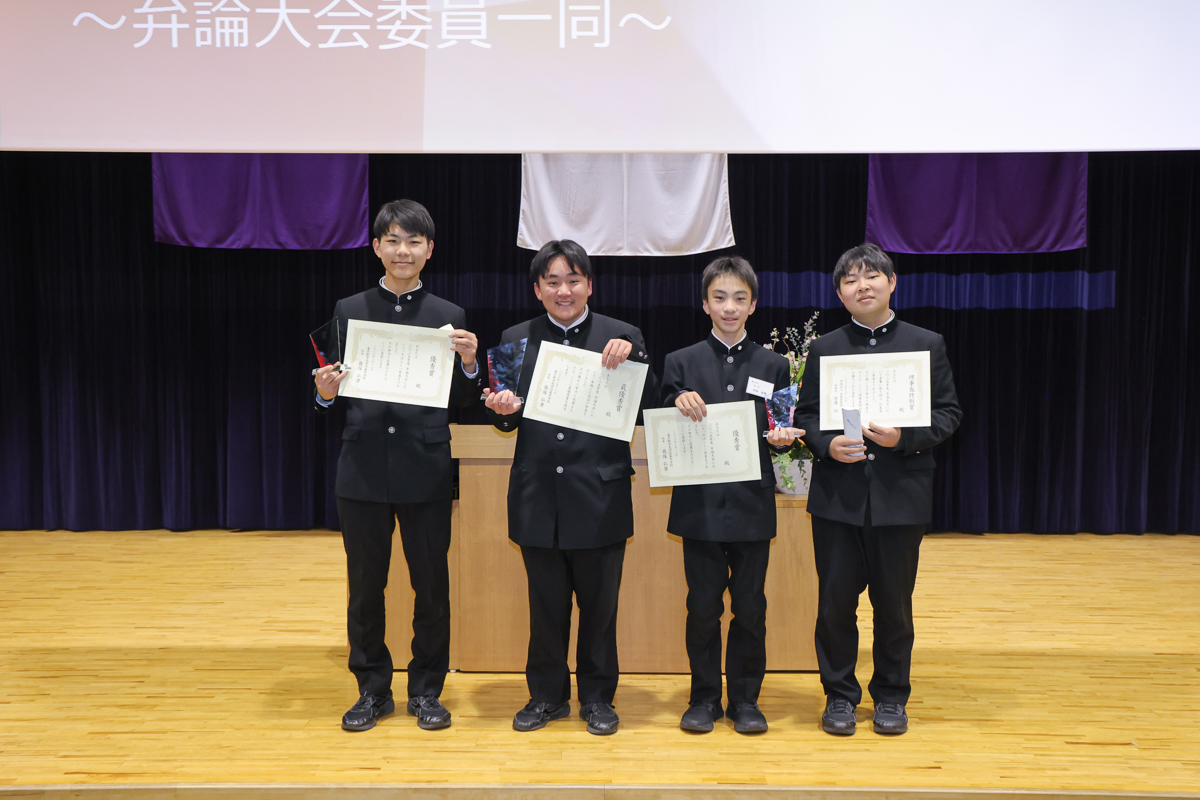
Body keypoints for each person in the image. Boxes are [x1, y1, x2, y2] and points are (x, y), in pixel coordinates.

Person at [313, 199, 481, 732]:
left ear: (429, 250)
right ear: (376, 247)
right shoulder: (349, 309)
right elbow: (332, 387)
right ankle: (372, 690)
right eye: (392, 240)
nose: (402, 250)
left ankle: (427, 691)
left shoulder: (449, 315)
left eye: (413, 241)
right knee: (365, 589)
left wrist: (471, 364)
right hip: (362, 469)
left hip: (425, 468)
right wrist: (324, 393)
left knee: (431, 588)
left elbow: (461, 401)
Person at [484, 239, 656, 736]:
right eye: (553, 281)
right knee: (546, 607)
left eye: (573, 280)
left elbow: (646, 403)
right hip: (537, 495)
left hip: (599, 496)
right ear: (537, 289)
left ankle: (598, 699)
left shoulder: (622, 336)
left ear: (589, 286)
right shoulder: (515, 337)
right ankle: (546, 697)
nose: (564, 290)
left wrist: (634, 359)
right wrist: (501, 412)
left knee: (600, 610)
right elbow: (505, 419)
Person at [795, 243, 961, 736]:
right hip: (837, 499)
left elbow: (949, 413)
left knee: (894, 607)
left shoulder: (925, 343)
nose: (861, 285)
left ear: (892, 283)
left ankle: (891, 696)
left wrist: (903, 437)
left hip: (900, 497)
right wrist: (826, 445)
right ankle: (839, 696)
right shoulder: (825, 348)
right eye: (850, 280)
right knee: (834, 607)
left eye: (871, 276)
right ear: (839, 293)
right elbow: (806, 416)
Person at [660, 256, 804, 735]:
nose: (729, 307)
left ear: (753, 305)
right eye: (720, 297)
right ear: (705, 303)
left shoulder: (774, 365)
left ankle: (745, 700)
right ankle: (703, 698)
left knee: (750, 607)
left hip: (750, 505)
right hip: (698, 507)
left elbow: (781, 426)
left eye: (739, 298)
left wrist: (782, 439)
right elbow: (657, 421)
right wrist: (675, 401)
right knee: (702, 608)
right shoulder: (680, 362)